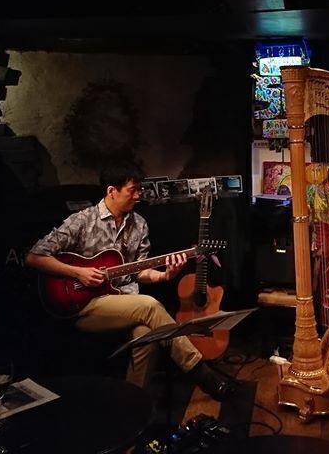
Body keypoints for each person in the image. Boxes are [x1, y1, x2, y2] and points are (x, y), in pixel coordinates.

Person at [25, 163, 233, 399]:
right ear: (111, 191)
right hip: (83, 305)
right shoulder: (82, 220)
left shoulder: (139, 224)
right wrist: (77, 273)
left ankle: (133, 401)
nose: (138, 195)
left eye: (140, 189)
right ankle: (200, 373)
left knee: (147, 336)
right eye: (133, 190)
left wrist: (166, 275)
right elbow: (34, 257)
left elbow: (140, 272)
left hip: (124, 301)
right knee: (150, 305)